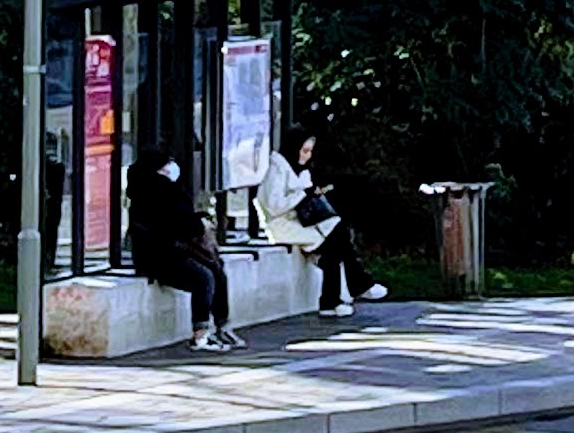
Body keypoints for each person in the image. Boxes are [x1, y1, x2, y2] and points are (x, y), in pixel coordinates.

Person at [259, 129, 385, 311]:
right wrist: (303, 194)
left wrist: (311, 194)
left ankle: (336, 298)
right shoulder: (276, 170)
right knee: (335, 243)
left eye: (310, 151)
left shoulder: (300, 170)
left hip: (299, 221)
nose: (307, 156)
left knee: (337, 234)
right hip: (281, 225)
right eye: (304, 151)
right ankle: (349, 290)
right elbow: (273, 205)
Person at [130, 152, 239, 348]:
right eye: (166, 164)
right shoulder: (154, 192)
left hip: (176, 251)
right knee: (204, 277)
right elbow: (178, 224)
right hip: (160, 257)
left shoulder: (169, 190)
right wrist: (199, 224)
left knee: (216, 269)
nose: (171, 167)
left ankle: (221, 326)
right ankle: (201, 335)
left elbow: (183, 221)